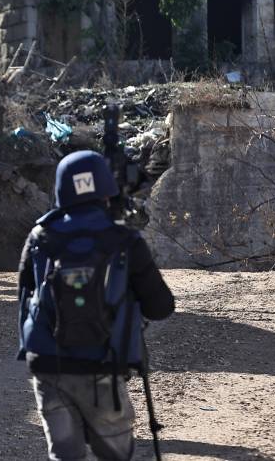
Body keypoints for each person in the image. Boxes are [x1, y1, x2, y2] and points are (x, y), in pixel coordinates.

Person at [17, 150, 174, 461]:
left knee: (65, 456)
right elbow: (161, 307)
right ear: (106, 189)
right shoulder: (123, 238)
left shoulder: (40, 236)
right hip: (102, 364)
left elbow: (25, 300)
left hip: (47, 364)